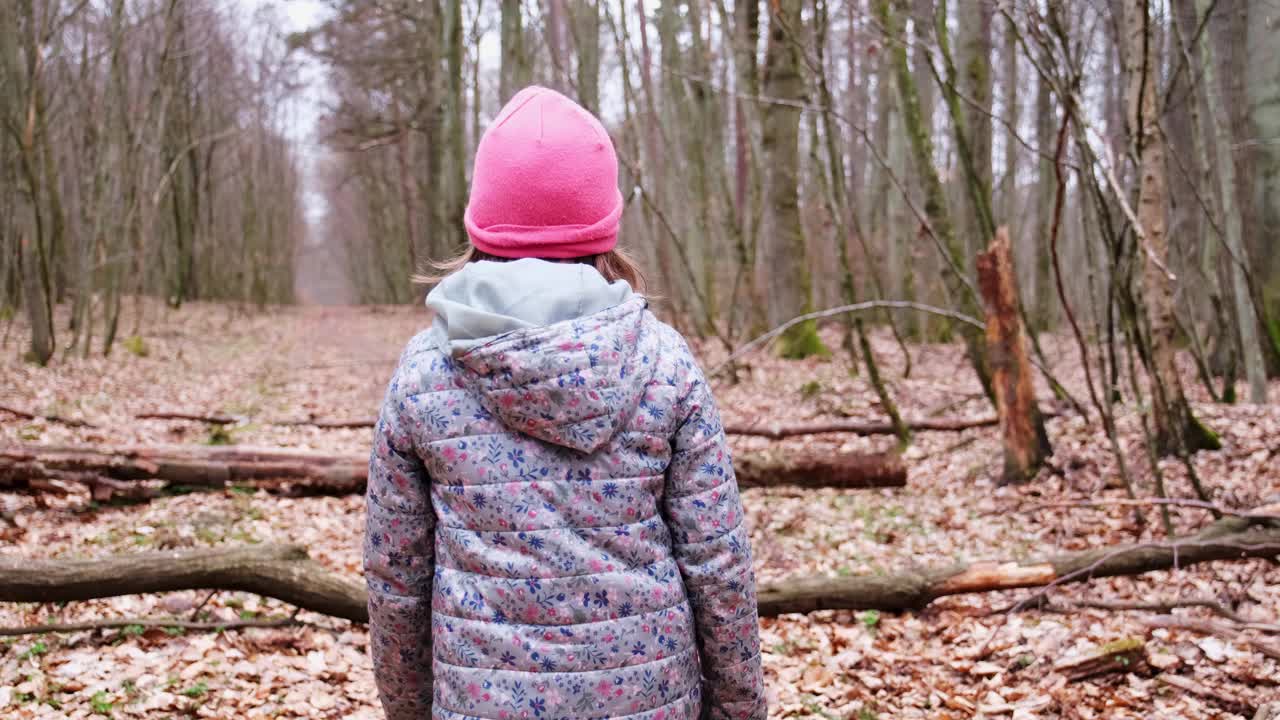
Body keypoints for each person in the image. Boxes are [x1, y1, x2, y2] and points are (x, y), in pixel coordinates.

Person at [364, 86, 766, 720]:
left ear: (481, 221)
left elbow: (395, 581)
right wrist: (740, 709)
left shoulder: (426, 373)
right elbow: (718, 566)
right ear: (603, 222)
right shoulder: (663, 361)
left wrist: (410, 709)